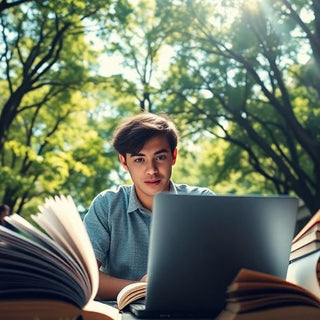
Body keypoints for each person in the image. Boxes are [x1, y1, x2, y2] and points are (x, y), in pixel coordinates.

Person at [83, 112, 214, 299]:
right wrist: (141, 288)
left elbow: (220, 271)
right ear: (124, 162)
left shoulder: (203, 202)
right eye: (139, 160)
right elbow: (84, 276)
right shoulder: (107, 205)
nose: (151, 170)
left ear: (173, 156)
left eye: (160, 157)